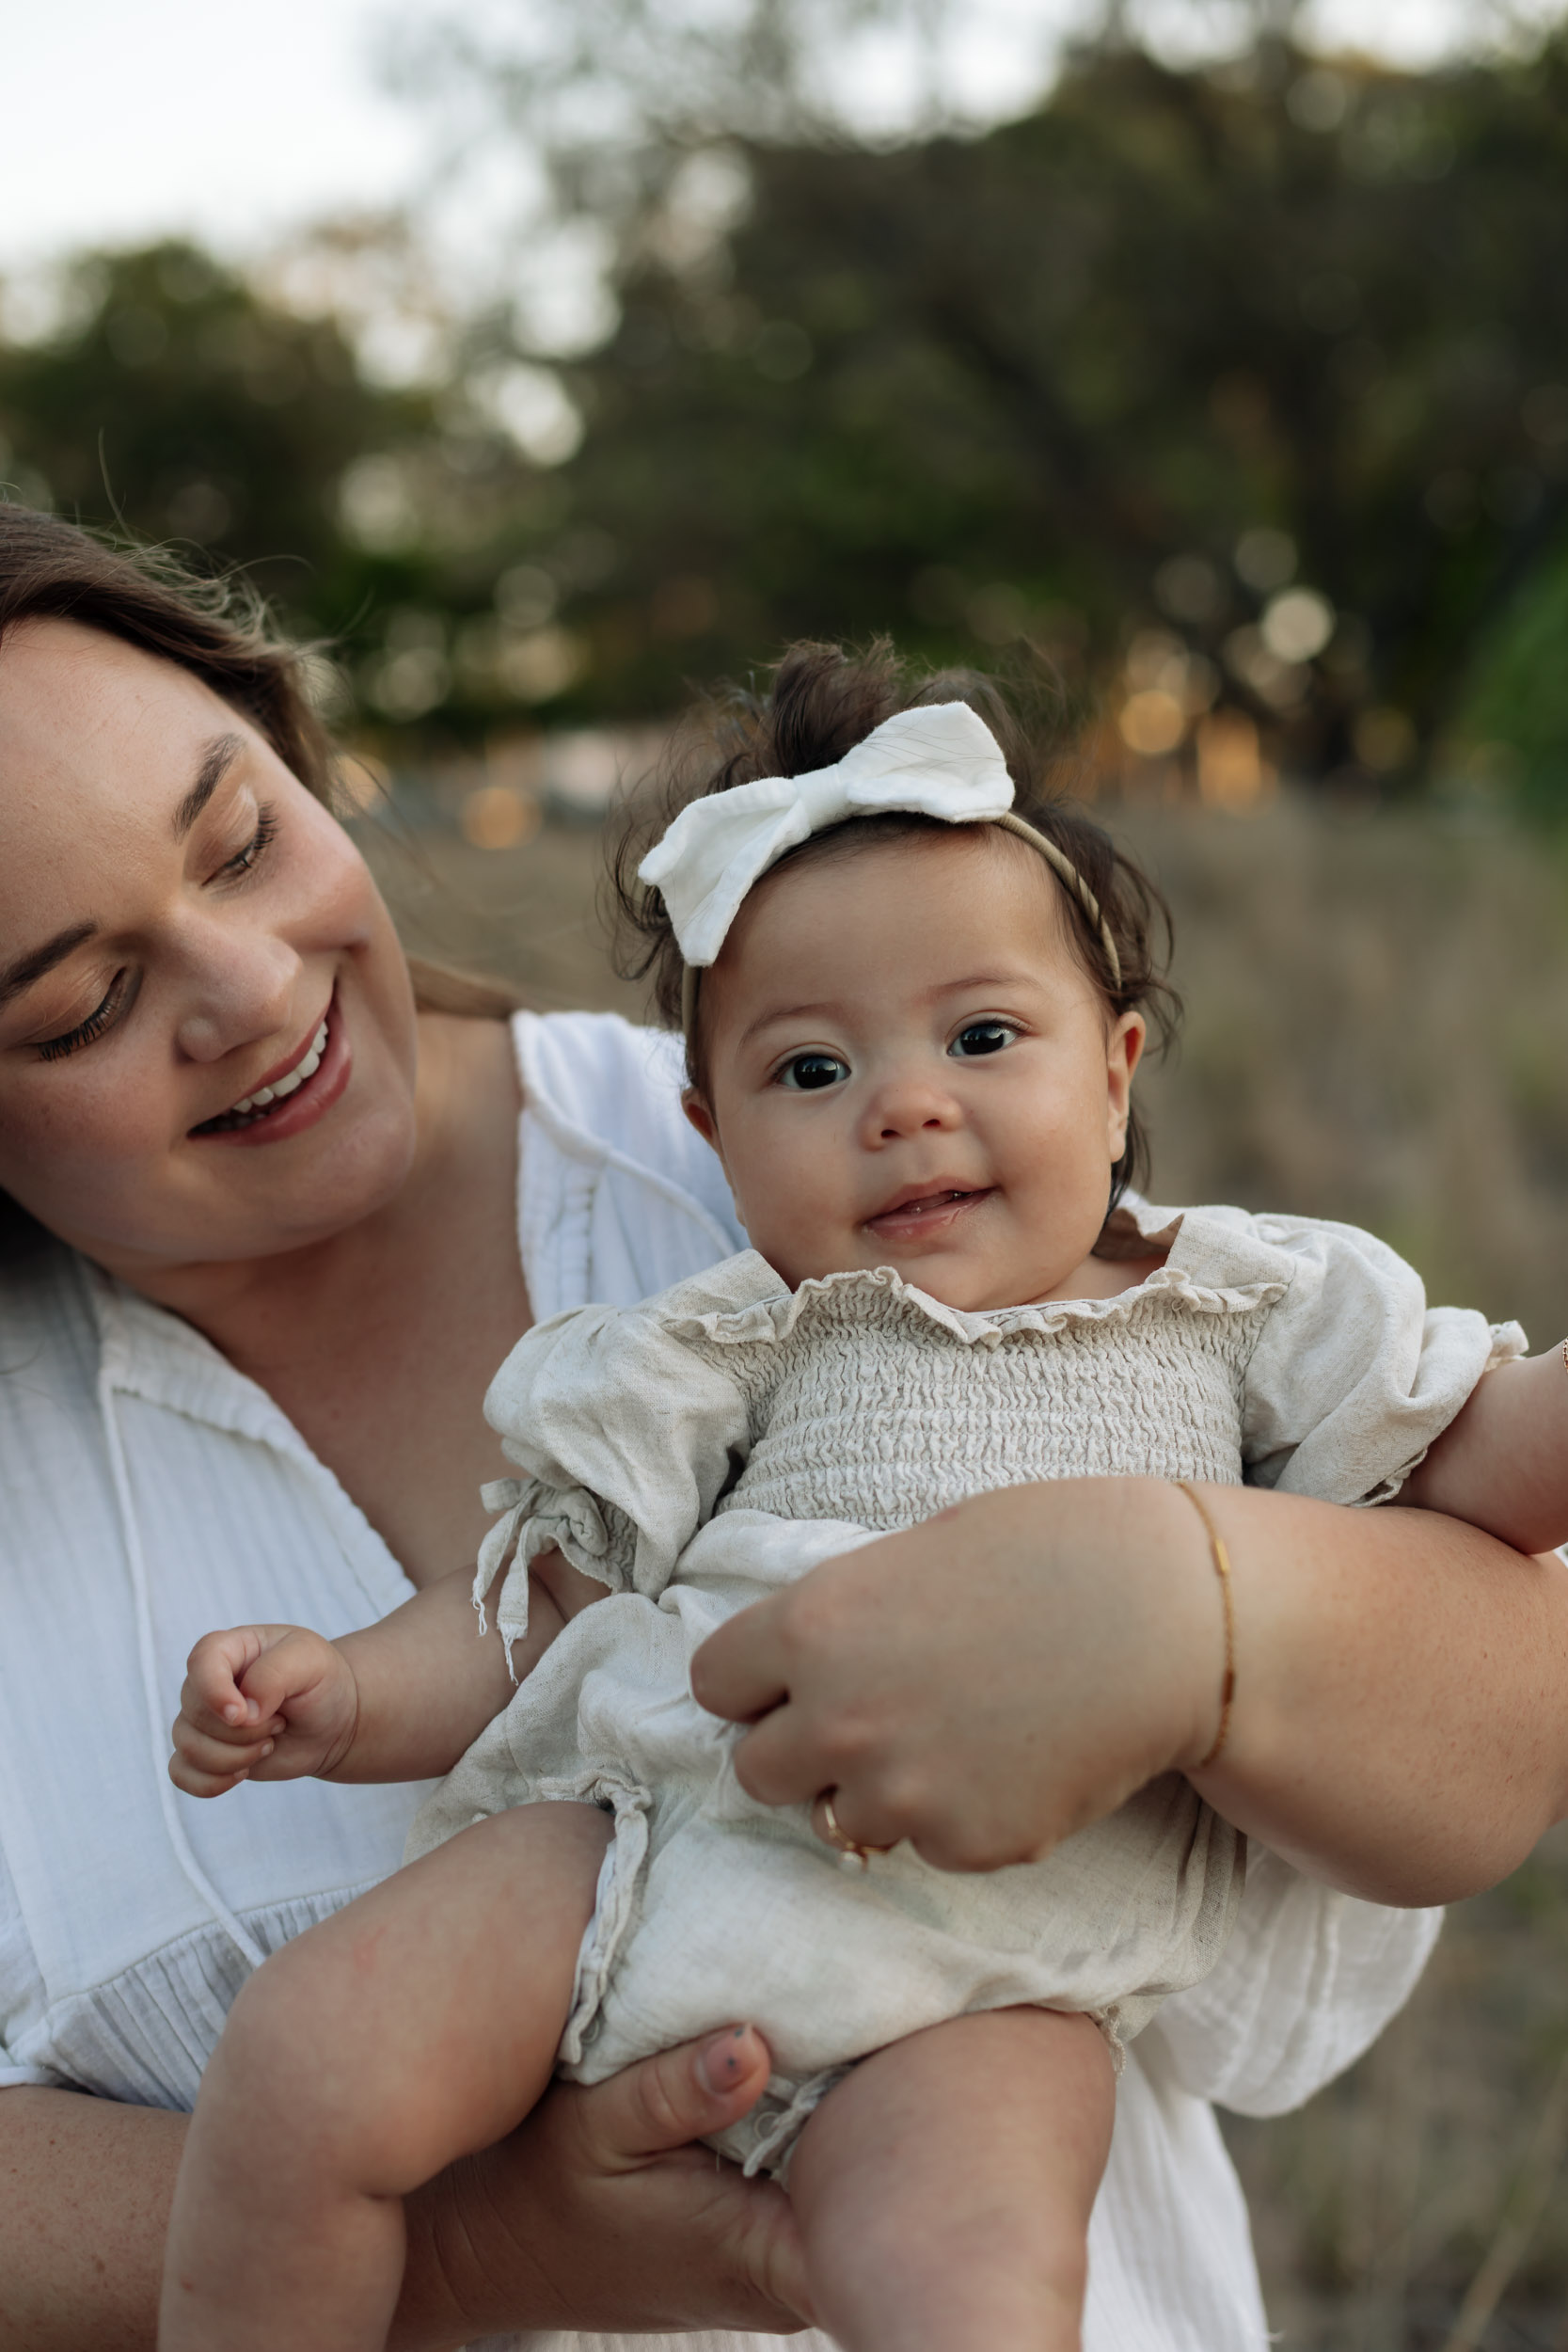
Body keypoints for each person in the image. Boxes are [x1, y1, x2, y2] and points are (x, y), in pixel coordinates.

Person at [0, 507, 1564, 2352]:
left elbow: (1492, 1608)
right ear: (725, 1096)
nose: (255, 987)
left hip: (968, 1948)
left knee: (965, 2255)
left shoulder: (1089, 1258)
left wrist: (1205, 1604)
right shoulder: (742, 1262)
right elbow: (550, 1580)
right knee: (306, 2057)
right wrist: (485, 2242)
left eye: (246, 837)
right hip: (662, 1852)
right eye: (84, 1000)